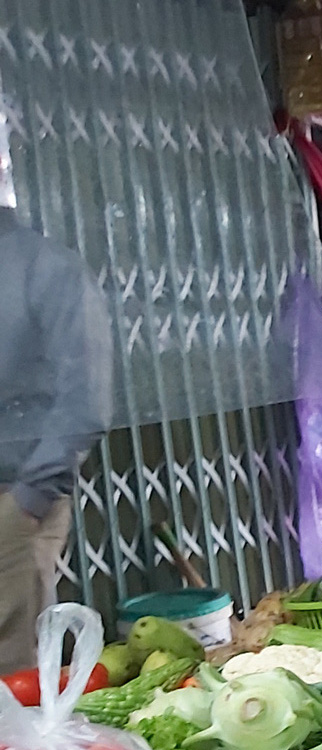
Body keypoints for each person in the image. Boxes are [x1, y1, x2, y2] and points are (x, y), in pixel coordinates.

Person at [0, 104, 114, 671]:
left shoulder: (48, 269)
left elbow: (85, 400)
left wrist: (27, 503)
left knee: (10, 674)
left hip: (14, 501)